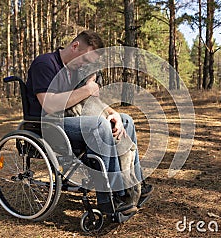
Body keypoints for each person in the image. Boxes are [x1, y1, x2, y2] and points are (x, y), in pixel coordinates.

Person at [26, 30, 153, 214]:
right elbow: (50, 104)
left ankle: (134, 184)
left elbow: (89, 101)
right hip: (48, 126)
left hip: (72, 119)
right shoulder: (45, 63)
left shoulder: (73, 70)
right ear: (75, 46)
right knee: (98, 126)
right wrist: (87, 90)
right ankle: (115, 196)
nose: (85, 65)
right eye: (85, 60)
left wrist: (112, 112)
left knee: (126, 121)